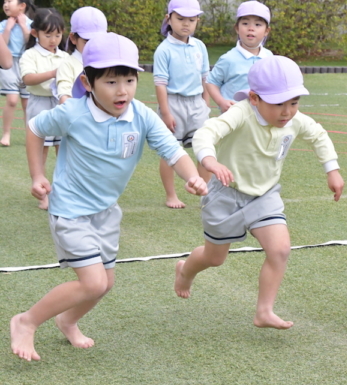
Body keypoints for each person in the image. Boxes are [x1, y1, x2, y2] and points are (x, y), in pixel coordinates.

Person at [11, 32, 207, 362]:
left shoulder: (141, 115)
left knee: (105, 283)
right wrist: (38, 175)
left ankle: (67, 321)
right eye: (111, 82)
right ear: (87, 83)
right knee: (92, 282)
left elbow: (172, 150)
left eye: (129, 80)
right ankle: (26, 321)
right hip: (70, 210)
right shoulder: (73, 112)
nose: (122, 90)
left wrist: (193, 176)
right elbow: (35, 128)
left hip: (106, 211)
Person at [175, 56, 345, 329]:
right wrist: (210, 161)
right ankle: (185, 271)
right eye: (279, 104)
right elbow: (206, 133)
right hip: (225, 195)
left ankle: (264, 311)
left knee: (280, 250)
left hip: (265, 196)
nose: (287, 112)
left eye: (294, 103)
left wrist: (332, 169)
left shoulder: (294, 120)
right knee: (214, 258)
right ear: (254, 98)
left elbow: (318, 135)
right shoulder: (240, 113)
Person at [154, 0, 211, 208]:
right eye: (180, 19)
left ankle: (205, 193)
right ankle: (171, 195)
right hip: (173, 104)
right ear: (169, 19)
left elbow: (205, 78)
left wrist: (205, 104)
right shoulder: (164, 50)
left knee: (205, 149)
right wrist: (166, 113)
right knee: (170, 151)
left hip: (197, 104)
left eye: (191, 19)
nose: (186, 24)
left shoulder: (200, 46)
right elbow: (160, 85)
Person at [19, 8, 68, 210]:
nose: (53, 40)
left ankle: (63, 192)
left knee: (64, 149)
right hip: (39, 104)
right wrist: (53, 73)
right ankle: (43, 194)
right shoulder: (30, 55)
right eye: (48, 35)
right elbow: (28, 78)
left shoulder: (65, 56)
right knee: (42, 151)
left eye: (58, 35)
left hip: (61, 104)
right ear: (35, 33)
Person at [206, 0, 272, 114]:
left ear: (266, 31)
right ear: (237, 28)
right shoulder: (228, 59)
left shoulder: (269, 57)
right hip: (233, 116)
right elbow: (211, 82)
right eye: (245, 23)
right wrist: (221, 102)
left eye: (257, 24)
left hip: (261, 116)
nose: (251, 28)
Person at [0, 0, 34, 147]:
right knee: (12, 100)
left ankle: (30, 135)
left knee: (27, 103)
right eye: (4, 1)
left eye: (10, 1)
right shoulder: (3, 24)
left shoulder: (32, 24)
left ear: (22, 6)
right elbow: (2, 44)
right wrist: (8, 28)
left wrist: (23, 26)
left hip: (26, 64)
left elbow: (31, 43)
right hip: (8, 64)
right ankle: (6, 134)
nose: (6, 4)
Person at [56, 6, 107, 104]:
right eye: (87, 41)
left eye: (98, 40)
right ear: (73, 38)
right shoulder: (67, 65)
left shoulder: (108, 62)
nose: (93, 45)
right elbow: (64, 97)